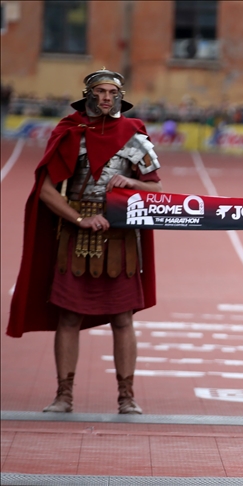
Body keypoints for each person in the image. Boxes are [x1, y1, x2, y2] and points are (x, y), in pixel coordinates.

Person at [6, 69, 162, 414]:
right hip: (74, 238)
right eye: (100, 92)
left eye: (112, 92)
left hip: (119, 241)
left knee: (123, 319)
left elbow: (156, 188)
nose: (106, 98)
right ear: (88, 96)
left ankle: (127, 396)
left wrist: (131, 183)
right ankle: (64, 395)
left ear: (119, 98)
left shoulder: (135, 135)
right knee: (69, 318)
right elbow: (46, 191)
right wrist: (79, 218)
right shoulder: (69, 133)